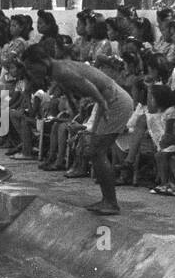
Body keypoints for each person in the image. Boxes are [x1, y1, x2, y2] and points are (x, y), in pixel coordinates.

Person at [21, 44, 134, 215]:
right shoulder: (57, 69)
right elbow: (69, 88)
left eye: (31, 67)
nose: (30, 72)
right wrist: (76, 110)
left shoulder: (60, 70)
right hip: (107, 101)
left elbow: (87, 85)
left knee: (97, 151)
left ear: (43, 61)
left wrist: (102, 105)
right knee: (94, 150)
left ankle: (111, 202)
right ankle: (108, 200)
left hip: (114, 102)